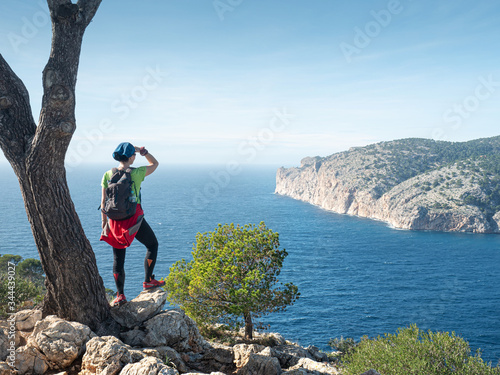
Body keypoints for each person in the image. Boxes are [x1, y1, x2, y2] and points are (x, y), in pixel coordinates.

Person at [100, 142, 164, 306]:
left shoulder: (107, 174)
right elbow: (155, 164)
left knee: (118, 258)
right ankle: (148, 280)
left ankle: (120, 295)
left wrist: (104, 224)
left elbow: (103, 202)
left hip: (114, 221)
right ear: (131, 157)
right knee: (152, 245)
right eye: (133, 154)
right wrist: (143, 151)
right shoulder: (137, 172)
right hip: (133, 219)